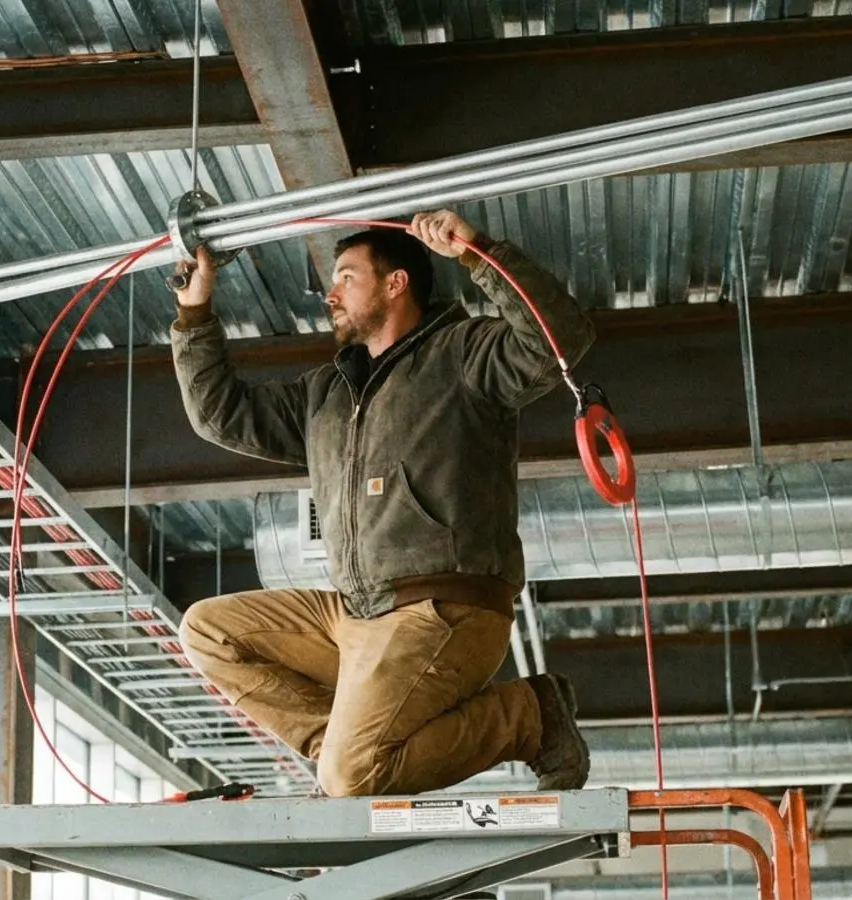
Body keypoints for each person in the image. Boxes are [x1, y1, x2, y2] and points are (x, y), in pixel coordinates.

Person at [169, 209, 596, 798]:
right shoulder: (326, 394)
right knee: (207, 631)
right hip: (354, 615)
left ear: (396, 284)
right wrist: (195, 313)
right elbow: (219, 415)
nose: (330, 292)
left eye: (347, 276)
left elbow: (559, 341)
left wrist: (479, 255)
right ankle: (342, 765)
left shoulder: (462, 355)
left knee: (351, 777)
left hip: (443, 610)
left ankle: (529, 717)